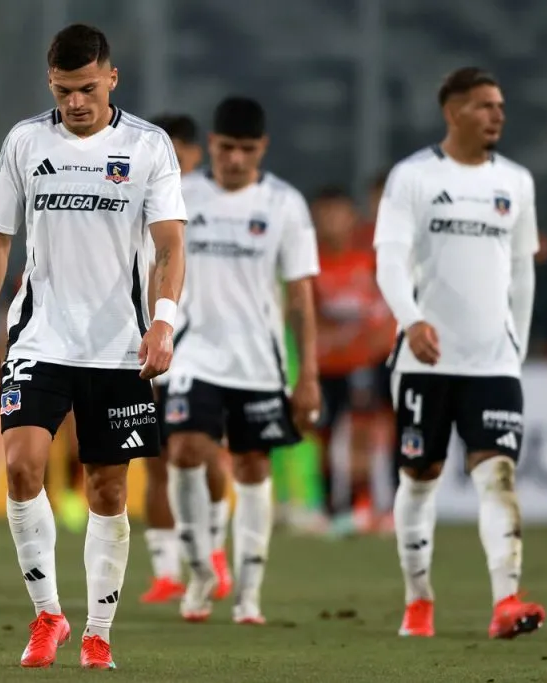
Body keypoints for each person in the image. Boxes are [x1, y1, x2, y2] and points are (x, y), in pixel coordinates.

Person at [0, 24, 186, 670]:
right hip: (40, 336)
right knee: (21, 466)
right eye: (64, 91)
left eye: (87, 88)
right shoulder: (26, 141)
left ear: (111, 78)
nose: (75, 103)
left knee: (107, 489)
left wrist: (164, 321)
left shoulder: (148, 146)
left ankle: (98, 631)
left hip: (118, 346)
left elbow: (170, 246)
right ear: (50, 84)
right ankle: (48, 615)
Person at [373, 67, 546, 640]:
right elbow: (389, 260)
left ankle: (506, 601)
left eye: (500, 106)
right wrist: (411, 320)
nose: (497, 114)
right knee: (420, 475)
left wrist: (516, 344)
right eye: (484, 105)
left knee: (498, 474)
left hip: (493, 362)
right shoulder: (414, 177)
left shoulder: (516, 181)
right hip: (425, 360)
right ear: (453, 112)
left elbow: (522, 271)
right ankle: (418, 600)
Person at [163, 96, 320, 625]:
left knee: (253, 465)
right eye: (227, 147)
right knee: (184, 449)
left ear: (262, 148)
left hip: (259, 361)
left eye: (246, 149)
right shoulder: (182, 194)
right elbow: (152, 265)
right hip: (194, 353)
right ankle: (200, 570)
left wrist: (308, 374)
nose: (235, 158)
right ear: (211, 144)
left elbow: (300, 296)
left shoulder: (285, 204)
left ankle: (248, 592)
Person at [139, 113, 233, 605]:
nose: (169, 162)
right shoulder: (139, 194)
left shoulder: (209, 199)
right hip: (142, 340)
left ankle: (213, 550)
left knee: (199, 451)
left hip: (196, 346)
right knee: (155, 462)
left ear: (196, 154)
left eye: (176, 153)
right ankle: (166, 570)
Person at [310, 186, 396, 536]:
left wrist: (376, 342)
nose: (331, 222)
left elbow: (387, 307)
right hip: (325, 363)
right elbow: (304, 312)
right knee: (325, 435)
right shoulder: (309, 261)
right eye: (324, 214)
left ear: (351, 217)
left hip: (363, 361)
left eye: (338, 214)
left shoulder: (368, 258)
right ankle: (332, 507)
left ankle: (366, 504)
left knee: (363, 430)